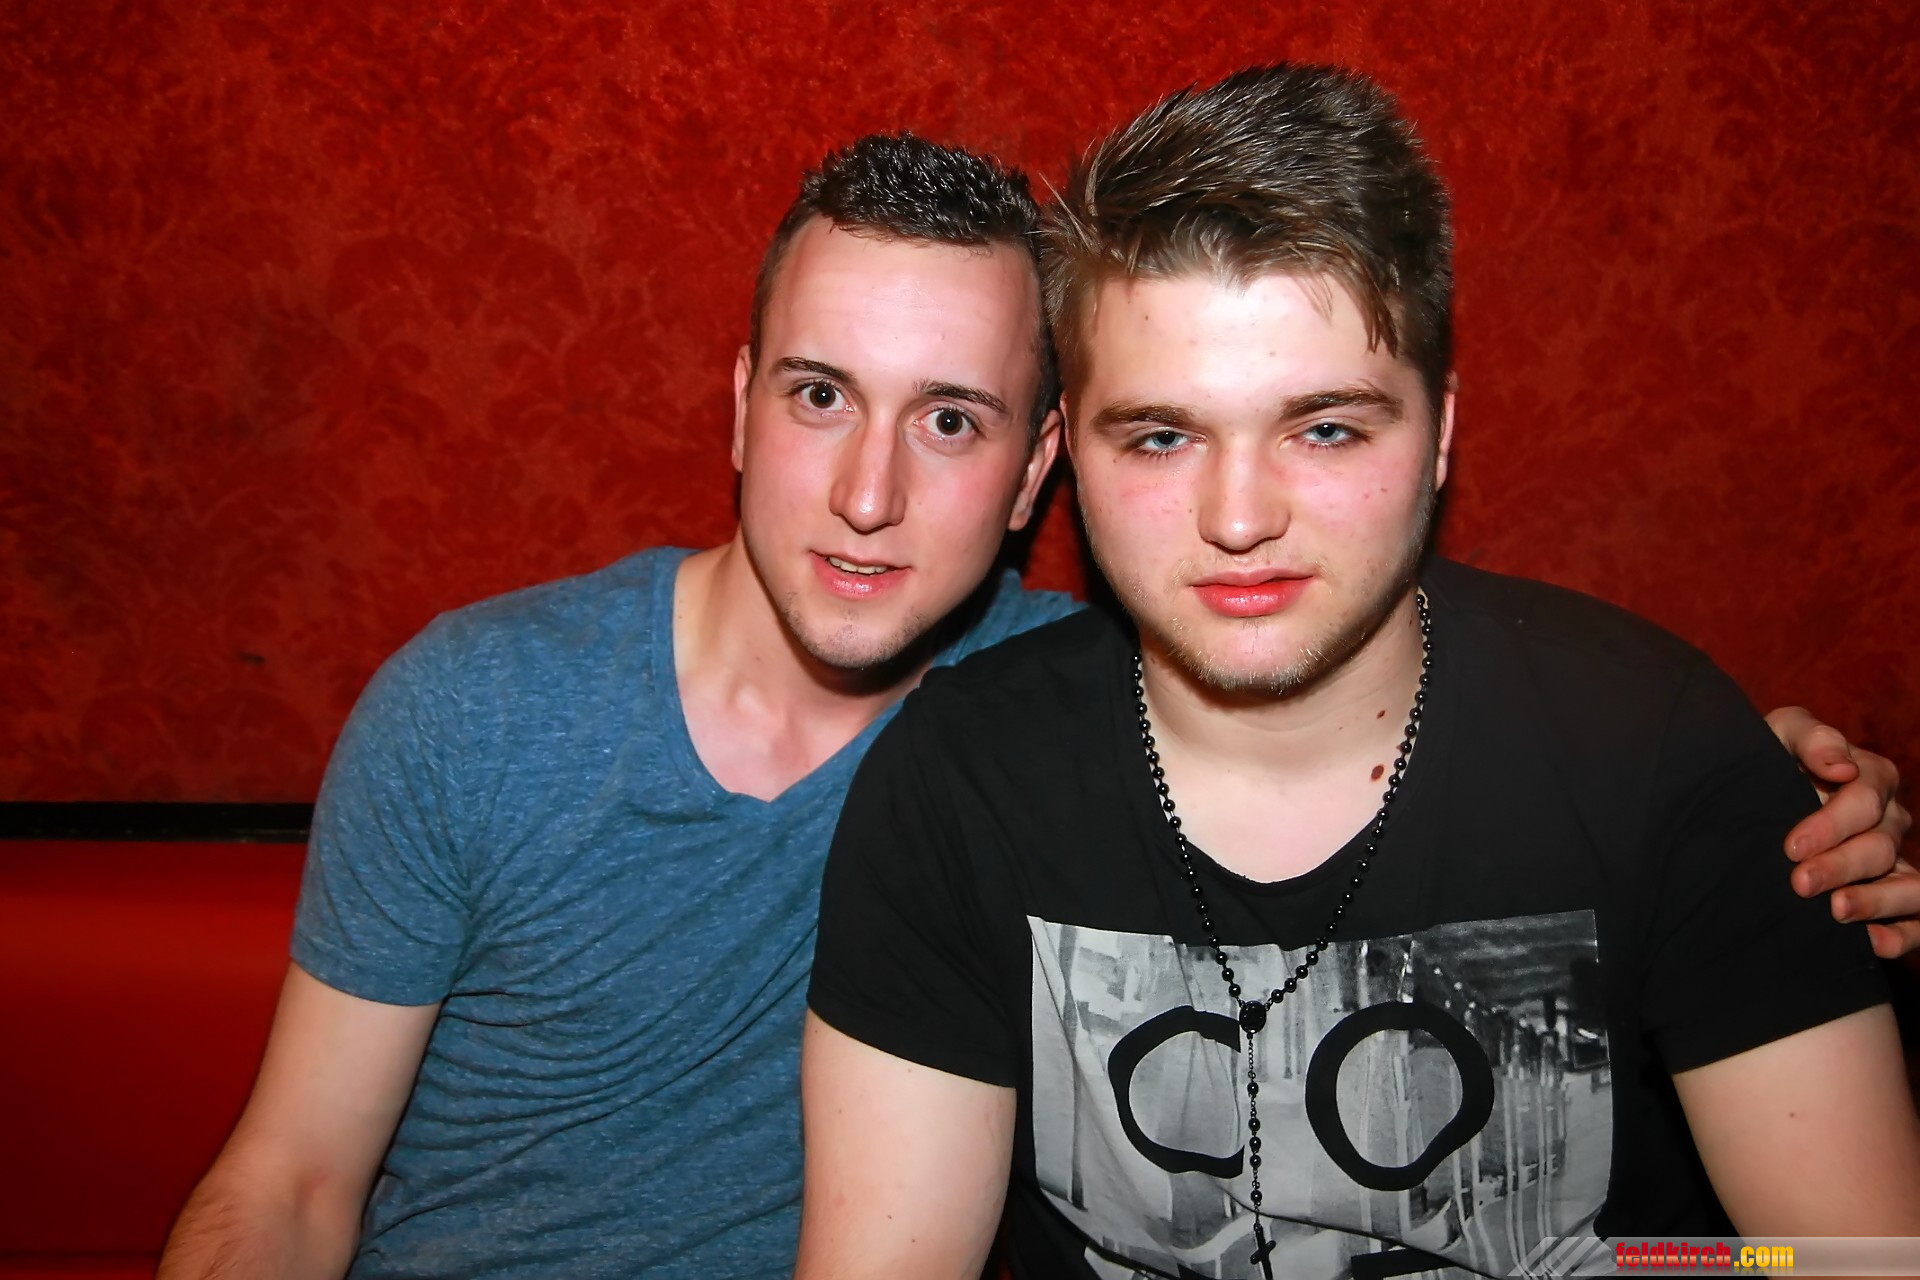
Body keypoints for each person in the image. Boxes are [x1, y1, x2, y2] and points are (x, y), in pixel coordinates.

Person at [159, 132, 1907, 1279]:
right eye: (820, 395)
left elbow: (1377, 683)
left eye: (951, 420)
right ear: (738, 404)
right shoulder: (483, 707)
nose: (866, 494)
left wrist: (1746, 791)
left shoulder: (1061, 708)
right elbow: (288, 1186)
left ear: (1035, 473)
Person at [797, 68, 1920, 1280]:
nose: (1239, 518)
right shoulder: (963, 780)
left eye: (1325, 427)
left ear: (1439, 434)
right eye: (1164, 435)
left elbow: (1850, 1261)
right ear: (1075, 457)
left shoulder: (1658, 754)